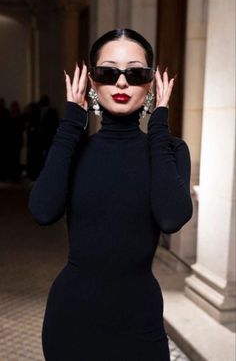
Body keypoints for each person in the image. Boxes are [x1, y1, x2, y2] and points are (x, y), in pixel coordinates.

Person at [29, 28, 193, 361]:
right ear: (91, 81)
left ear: (150, 84)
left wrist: (159, 121)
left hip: (139, 323)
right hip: (72, 321)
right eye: (107, 72)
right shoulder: (72, 149)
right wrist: (73, 120)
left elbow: (171, 216)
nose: (121, 82)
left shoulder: (170, 150)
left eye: (135, 73)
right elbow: (42, 210)